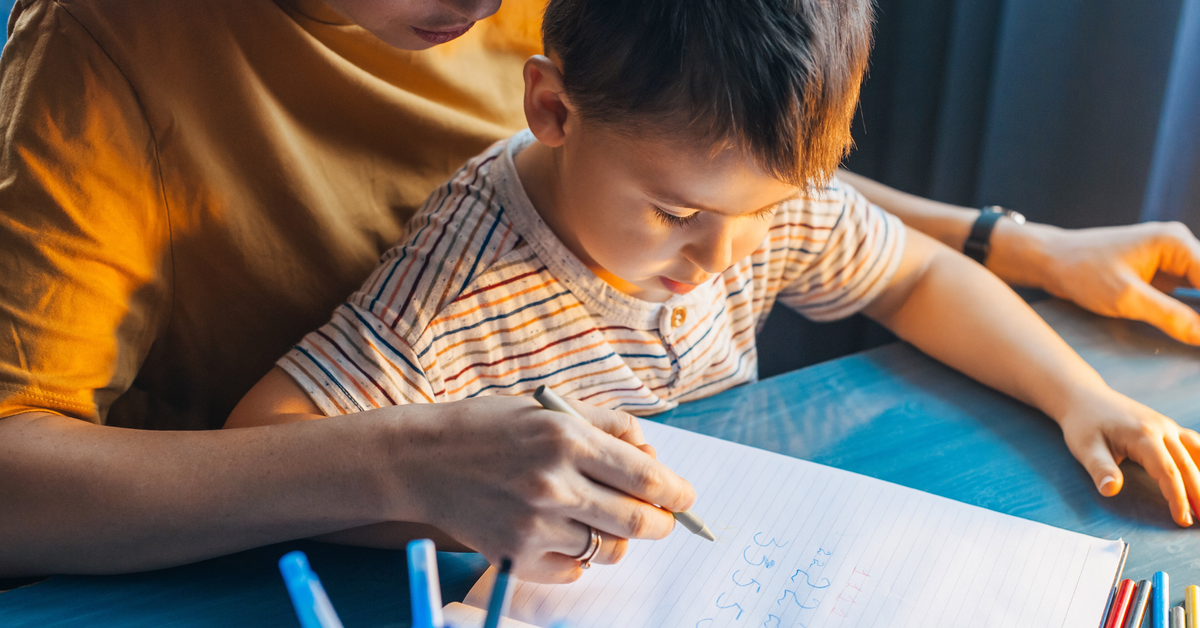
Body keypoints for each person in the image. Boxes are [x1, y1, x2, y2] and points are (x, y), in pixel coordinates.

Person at [0, 0, 1197, 581]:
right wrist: (410, 471)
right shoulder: (101, 58)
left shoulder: (718, 199)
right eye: (689, 225)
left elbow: (725, 167)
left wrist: (1010, 249)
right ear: (545, 105)